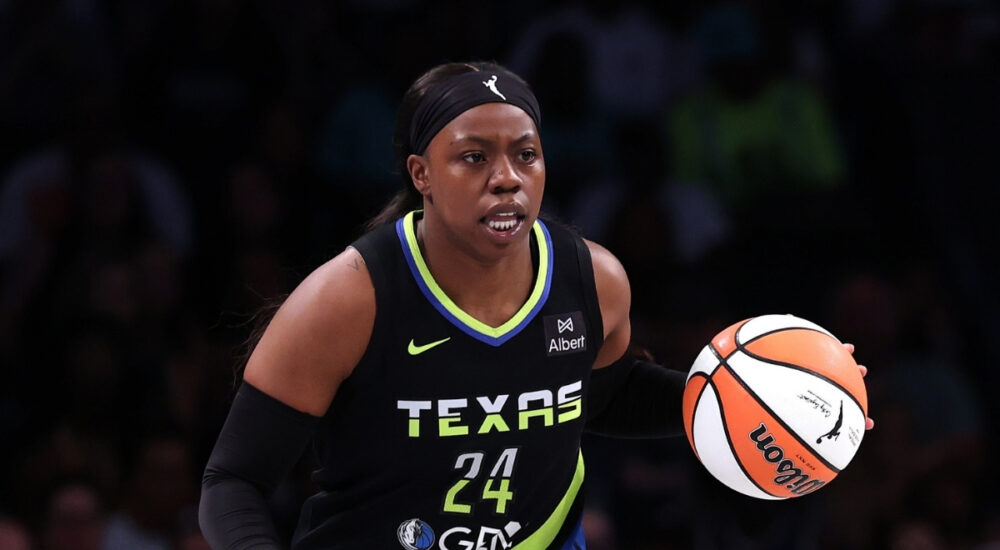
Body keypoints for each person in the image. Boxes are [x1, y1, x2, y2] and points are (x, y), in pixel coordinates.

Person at [198, 61, 871, 550]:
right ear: (421, 175)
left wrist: (781, 396)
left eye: (526, 155)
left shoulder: (594, 278)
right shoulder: (348, 298)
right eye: (473, 157)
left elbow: (600, 397)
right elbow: (232, 481)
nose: (508, 179)